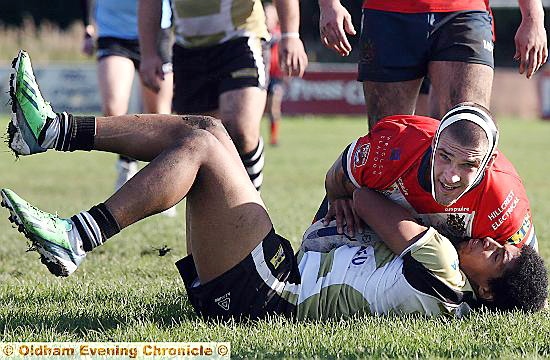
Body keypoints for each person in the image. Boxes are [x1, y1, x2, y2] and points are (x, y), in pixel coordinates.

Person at [3, 51, 547, 319]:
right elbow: (356, 192)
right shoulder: (452, 274)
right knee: (207, 131)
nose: (494, 242)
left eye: (498, 258)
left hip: (269, 292)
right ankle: (52, 130)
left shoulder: (445, 273)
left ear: (486, 292)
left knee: (202, 143)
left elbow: (362, 196)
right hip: (272, 273)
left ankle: (76, 235)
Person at [314, 103, 538, 252]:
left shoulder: (504, 198)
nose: (450, 177)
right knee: (314, 247)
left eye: (468, 165)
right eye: (445, 157)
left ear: (488, 163)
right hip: (375, 222)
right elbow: (337, 175)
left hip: (443, 252)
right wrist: (339, 199)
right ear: (433, 143)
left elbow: (525, 272)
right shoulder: (394, 146)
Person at [138, 0, 308, 190]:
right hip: (188, 47)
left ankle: (251, 204)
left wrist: (290, 35)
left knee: (241, 130)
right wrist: (148, 53)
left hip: (241, 39)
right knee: (201, 138)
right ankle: (218, 211)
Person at [318, 0, 548, 126]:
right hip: (388, 12)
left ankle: (457, 213)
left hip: (463, 12)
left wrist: (533, 18)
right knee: (387, 137)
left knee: (468, 127)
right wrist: (329, 5)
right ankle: (391, 212)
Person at [80, 0, 175, 193]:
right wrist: (87, 27)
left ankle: (164, 180)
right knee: (113, 108)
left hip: (156, 32)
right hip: (113, 32)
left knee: (160, 116)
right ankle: (127, 164)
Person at [264, 3, 286, 146]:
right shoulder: (259, 32)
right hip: (260, 73)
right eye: (265, 14)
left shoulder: (280, 33)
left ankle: (273, 139)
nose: (267, 17)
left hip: (275, 77)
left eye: (270, 14)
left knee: (273, 108)